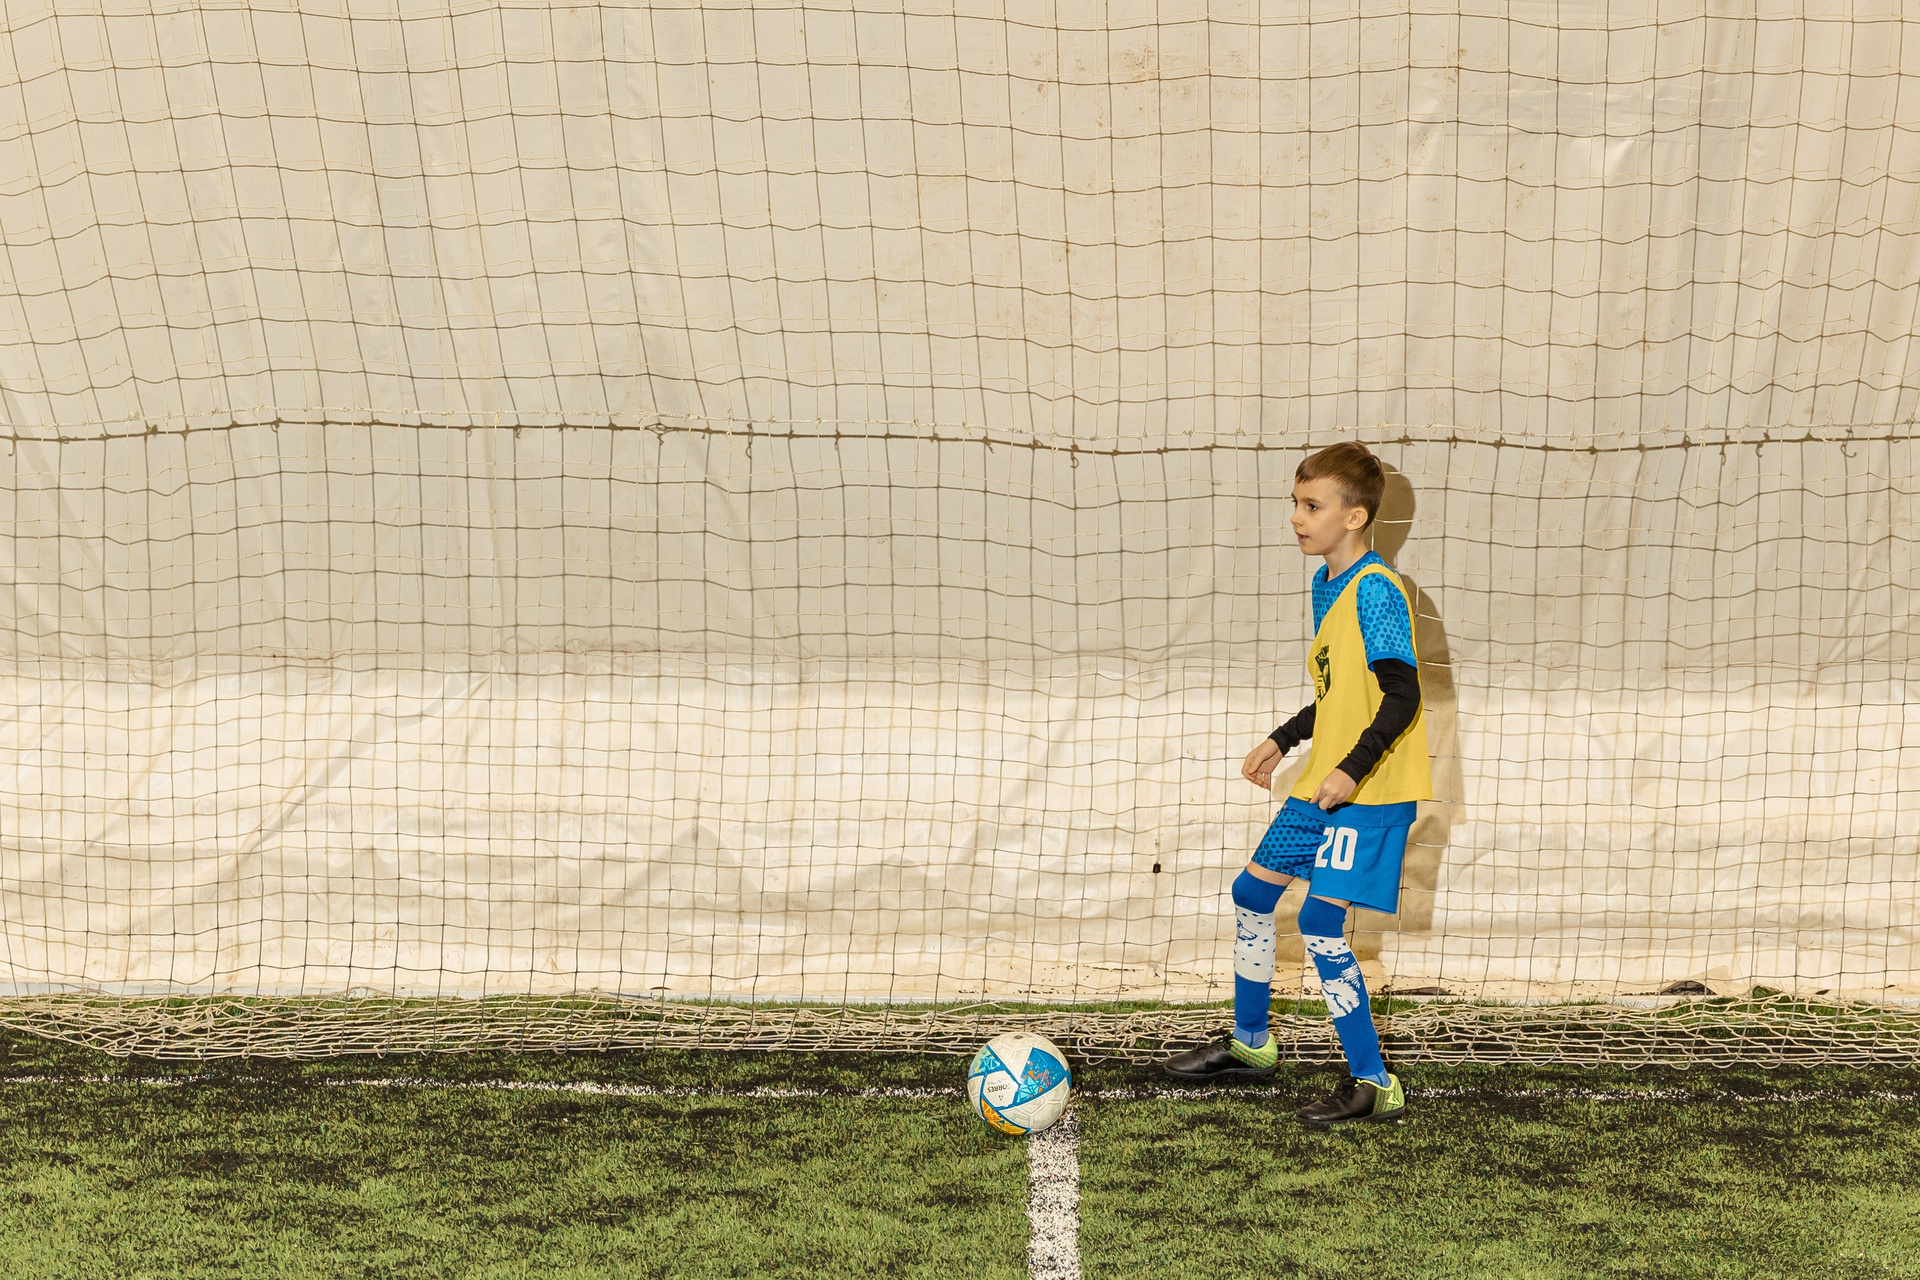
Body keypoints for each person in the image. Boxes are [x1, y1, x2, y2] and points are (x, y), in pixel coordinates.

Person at [1163, 441, 1431, 1128]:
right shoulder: (1326, 585)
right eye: (1296, 503)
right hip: (1325, 782)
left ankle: (1374, 1082)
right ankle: (1252, 1044)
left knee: (1319, 923)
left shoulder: (1376, 590)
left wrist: (1351, 769)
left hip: (1368, 792)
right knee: (1253, 895)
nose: (1296, 517)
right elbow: (1343, 696)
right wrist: (1284, 738)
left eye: (1312, 506)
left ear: (1355, 517)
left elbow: (1402, 696)